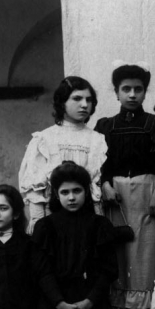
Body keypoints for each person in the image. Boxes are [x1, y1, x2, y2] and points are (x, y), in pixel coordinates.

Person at [96, 63, 155, 309]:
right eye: (126, 89)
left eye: (138, 89)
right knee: (120, 260)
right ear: (116, 93)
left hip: (148, 197)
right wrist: (105, 184)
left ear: (145, 93)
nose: (132, 94)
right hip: (115, 200)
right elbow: (100, 164)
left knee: (146, 261)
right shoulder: (105, 126)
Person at [32, 161, 118, 309]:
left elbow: (108, 270)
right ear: (56, 194)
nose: (71, 197)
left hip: (91, 302)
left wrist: (88, 302)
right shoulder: (45, 227)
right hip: (55, 305)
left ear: (87, 192)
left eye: (77, 191)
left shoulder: (100, 225)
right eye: (65, 192)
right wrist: (60, 304)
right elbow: (41, 271)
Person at [19, 76, 108, 233]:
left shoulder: (97, 139)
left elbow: (97, 186)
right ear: (62, 102)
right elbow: (35, 189)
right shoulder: (44, 139)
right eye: (77, 99)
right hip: (52, 220)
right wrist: (39, 224)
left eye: (89, 100)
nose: (84, 105)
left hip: (87, 219)